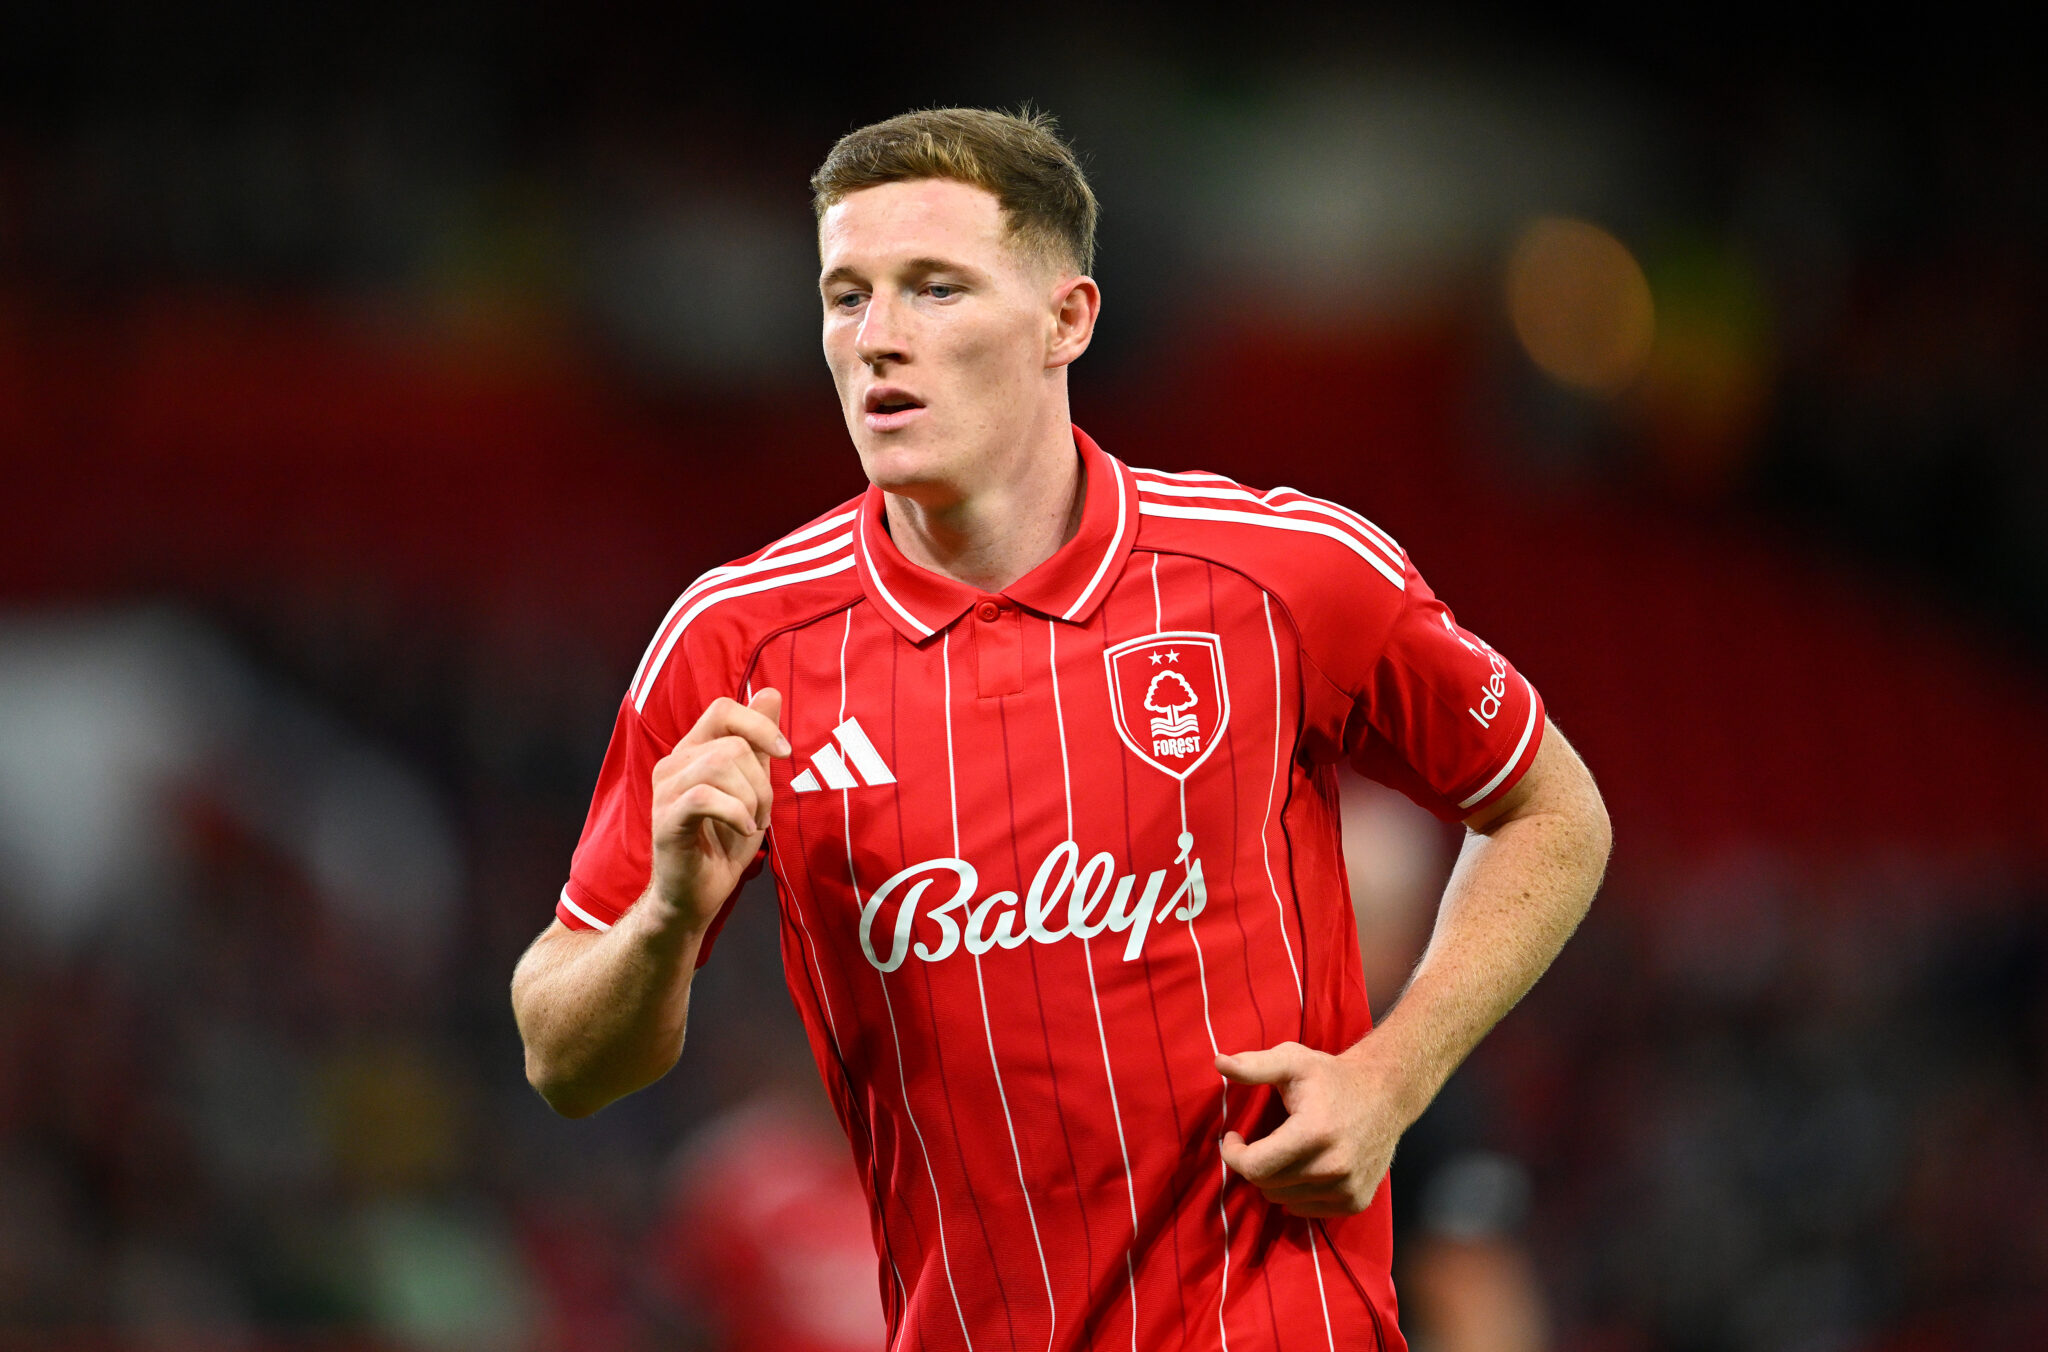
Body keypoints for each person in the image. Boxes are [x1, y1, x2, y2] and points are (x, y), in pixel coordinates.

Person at [511, 107, 1611, 1352]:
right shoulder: (737, 643)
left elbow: (1552, 807)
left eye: (935, 288)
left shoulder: (1283, 575)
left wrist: (1390, 1074)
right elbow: (563, 1056)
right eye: (845, 295)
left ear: (1065, 320)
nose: (877, 337)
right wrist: (664, 919)